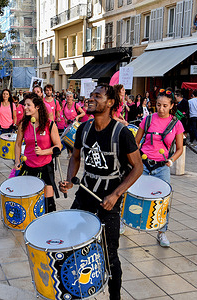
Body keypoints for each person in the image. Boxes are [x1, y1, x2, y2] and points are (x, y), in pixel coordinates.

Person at [59, 84, 142, 300]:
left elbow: (138, 168)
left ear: (111, 102)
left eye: (98, 96)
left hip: (109, 200)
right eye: (91, 95)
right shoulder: (84, 128)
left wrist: (116, 195)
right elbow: (75, 158)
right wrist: (69, 180)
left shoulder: (121, 133)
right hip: (85, 194)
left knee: (110, 254)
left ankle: (115, 297)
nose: (91, 98)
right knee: (72, 241)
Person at [134, 89, 184, 247]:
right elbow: (136, 142)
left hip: (162, 167)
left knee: (164, 200)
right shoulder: (147, 119)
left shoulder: (176, 124)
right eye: (158, 105)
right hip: (144, 163)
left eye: (164, 105)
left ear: (171, 106)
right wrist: (134, 161)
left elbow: (180, 149)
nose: (161, 108)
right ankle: (125, 221)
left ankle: (162, 232)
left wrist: (171, 160)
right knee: (134, 194)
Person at [14, 92, 62, 213]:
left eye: (28, 105)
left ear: (37, 107)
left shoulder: (50, 124)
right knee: (30, 200)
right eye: (24, 105)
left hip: (46, 167)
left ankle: (49, 229)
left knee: (48, 203)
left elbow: (58, 146)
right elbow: (18, 144)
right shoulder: (23, 124)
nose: (25, 107)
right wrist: (17, 161)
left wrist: (43, 152)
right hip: (28, 166)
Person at [0, 89, 17, 169]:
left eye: (6, 94)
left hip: (9, 127)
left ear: (9, 95)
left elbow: (15, 116)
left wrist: (14, 124)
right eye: (4, 94)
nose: (5, 95)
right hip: (0, 128)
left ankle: (15, 160)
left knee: (13, 145)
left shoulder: (12, 105)